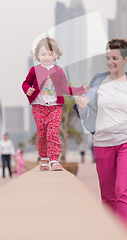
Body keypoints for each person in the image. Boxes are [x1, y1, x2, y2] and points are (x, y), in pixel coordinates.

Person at [73, 38, 127, 234]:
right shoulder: (97, 81)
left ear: (126, 59)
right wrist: (81, 106)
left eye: (115, 58)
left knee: (123, 192)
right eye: (107, 58)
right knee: (107, 197)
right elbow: (88, 115)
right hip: (102, 144)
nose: (111, 62)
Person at [22, 37, 89, 171]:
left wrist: (80, 90)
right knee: (42, 135)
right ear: (37, 56)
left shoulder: (58, 71)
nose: (47, 57)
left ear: (56, 55)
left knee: (52, 133)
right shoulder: (34, 70)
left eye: (50, 54)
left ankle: (54, 160)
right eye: (43, 54)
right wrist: (27, 89)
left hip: (55, 108)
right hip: (38, 108)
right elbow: (25, 83)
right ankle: (44, 158)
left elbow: (65, 89)